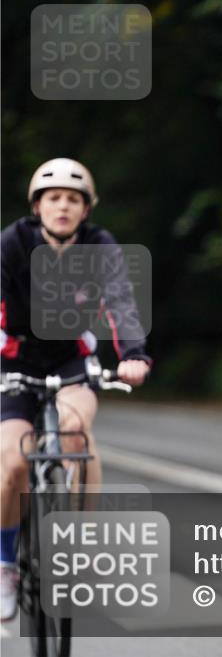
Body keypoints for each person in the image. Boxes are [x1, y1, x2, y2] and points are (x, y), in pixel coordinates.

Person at [1, 158, 151, 621]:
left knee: (75, 435)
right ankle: (6, 565)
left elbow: (121, 302)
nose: (63, 206)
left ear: (86, 209)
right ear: (38, 206)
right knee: (11, 462)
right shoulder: (13, 242)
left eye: (73, 199)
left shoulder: (99, 246)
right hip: (15, 360)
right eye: (54, 198)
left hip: (72, 361)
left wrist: (134, 354)